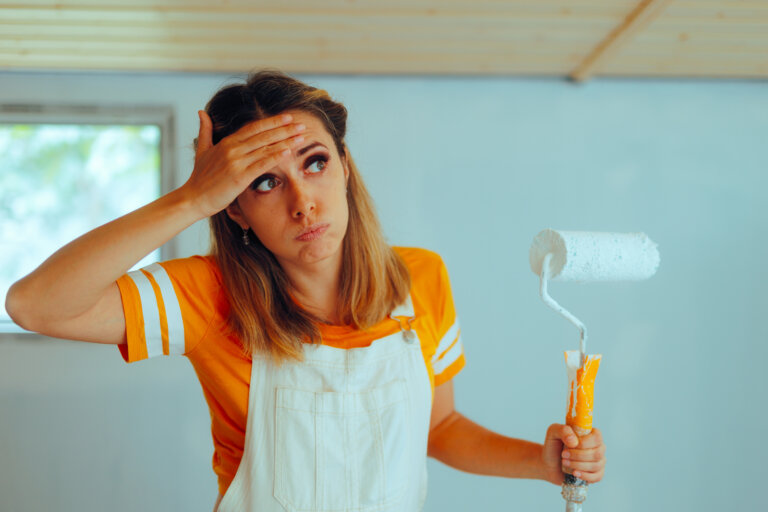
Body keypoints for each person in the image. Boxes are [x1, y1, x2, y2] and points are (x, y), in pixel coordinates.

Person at [6, 71, 606, 511]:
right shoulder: (210, 298)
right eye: (263, 182)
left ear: (345, 166)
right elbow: (33, 305)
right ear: (235, 209)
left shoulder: (420, 281)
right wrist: (190, 199)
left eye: (314, 163)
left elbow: (438, 428)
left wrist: (542, 462)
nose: (302, 202)